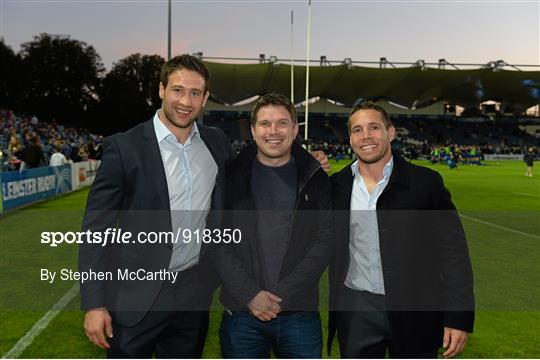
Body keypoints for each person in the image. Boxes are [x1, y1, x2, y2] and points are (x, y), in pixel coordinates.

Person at [79, 55, 329, 358]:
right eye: (178, 90)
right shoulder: (124, 148)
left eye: (195, 93)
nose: (186, 101)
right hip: (137, 293)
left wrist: (309, 162)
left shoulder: (215, 142)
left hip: (192, 293)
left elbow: (269, 147)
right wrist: (94, 303)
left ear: (205, 98)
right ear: (161, 90)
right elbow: (96, 231)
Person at [328, 102, 474, 358]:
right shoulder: (336, 186)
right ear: (350, 137)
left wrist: (458, 316)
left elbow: (454, 254)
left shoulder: (426, 183)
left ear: (391, 132)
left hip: (415, 307)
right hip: (356, 308)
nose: (366, 137)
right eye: (357, 130)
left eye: (374, 128)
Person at [212, 93, 332, 358]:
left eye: (282, 123)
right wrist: (250, 294)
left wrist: (283, 295)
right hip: (242, 314)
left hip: (299, 313)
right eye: (265, 124)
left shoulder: (315, 177)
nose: (273, 131)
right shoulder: (229, 177)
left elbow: (324, 243)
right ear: (253, 130)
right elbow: (217, 241)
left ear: (295, 129)